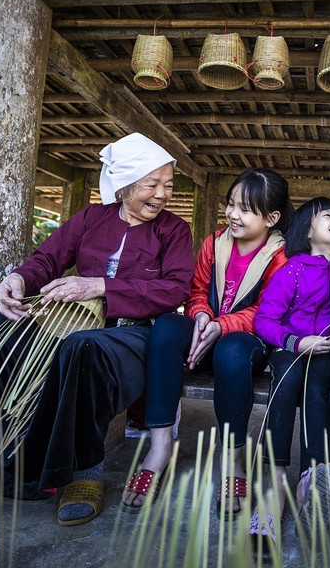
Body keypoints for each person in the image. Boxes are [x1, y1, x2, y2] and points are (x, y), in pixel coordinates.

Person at [0, 133, 194, 527]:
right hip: (67, 320)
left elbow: (175, 289)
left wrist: (100, 286)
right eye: (153, 184)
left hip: (131, 333)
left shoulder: (173, 231)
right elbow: (46, 260)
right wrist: (16, 279)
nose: (163, 194)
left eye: (168, 185)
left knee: (83, 349)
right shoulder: (90, 218)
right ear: (125, 185)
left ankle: (84, 476)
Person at [123, 169, 291, 514]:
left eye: (245, 209)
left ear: (271, 217)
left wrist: (222, 325)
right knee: (168, 327)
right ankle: (159, 449)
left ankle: (232, 460)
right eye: (231, 204)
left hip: (249, 339)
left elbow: (268, 311)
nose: (232, 214)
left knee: (232, 351)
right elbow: (197, 290)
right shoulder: (214, 242)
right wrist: (200, 315)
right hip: (206, 328)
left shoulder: (280, 257)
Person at [249, 197, 330, 547]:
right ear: (308, 231)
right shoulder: (291, 270)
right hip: (288, 350)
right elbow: (264, 320)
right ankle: (275, 480)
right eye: (328, 216)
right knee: (288, 380)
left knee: (319, 385)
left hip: (325, 353)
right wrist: (295, 342)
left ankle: (313, 475)